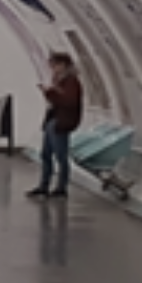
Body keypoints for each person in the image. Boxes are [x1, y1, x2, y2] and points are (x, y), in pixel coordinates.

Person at [28, 52, 84, 199]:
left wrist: (51, 93)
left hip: (61, 123)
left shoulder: (71, 82)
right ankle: (44, 185)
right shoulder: (59, 80)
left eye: (54, 65)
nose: (53, 69)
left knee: (61, 156)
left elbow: (68, 102)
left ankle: (61, 188)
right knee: (45, 154)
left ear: (63, 65)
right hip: (53, 121)